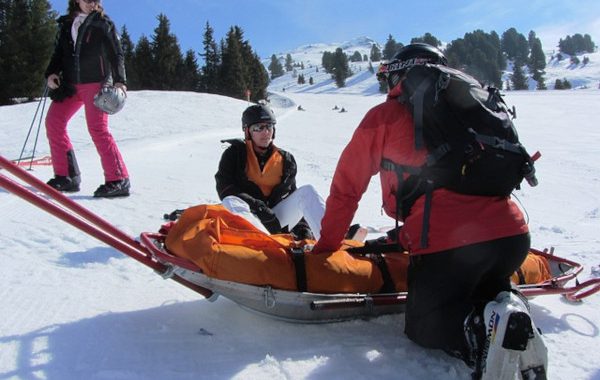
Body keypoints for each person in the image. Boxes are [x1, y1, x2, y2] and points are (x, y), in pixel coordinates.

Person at [312, 43, 546, 379]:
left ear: (400, 74)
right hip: (511, 239)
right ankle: (507, 309)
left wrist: (327, 245)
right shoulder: (471, 110)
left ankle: (479, 336)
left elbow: (346, 189)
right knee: (480, 286)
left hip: (451, 245)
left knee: (424, 325)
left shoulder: (384, 116)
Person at [44, 0, 130, 198]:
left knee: (97, 128)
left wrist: (120, 81)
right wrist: (51, 73)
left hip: (96, 83)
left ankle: (118, 179)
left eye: (96, 0)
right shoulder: (67, 24)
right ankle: (66, 176)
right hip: (70, 84)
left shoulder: (102, 23)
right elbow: (58, 54)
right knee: (54, 122)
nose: (93, 3)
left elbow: (116, 53)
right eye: (88, 0)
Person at [215, 103, 325, 240]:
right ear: (247, 131)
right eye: (258, 127)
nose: (265, 132)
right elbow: (224, 188)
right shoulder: (234, 154)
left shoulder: (286, 160)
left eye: (269, 126)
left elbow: (291, 195)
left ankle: (328, 241)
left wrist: (303, 227)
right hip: (247, 217)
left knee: (307, 192)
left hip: (273, 220)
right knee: (231, 200)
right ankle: (265, 244)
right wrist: (259, 207)